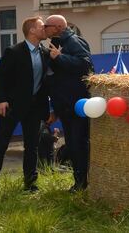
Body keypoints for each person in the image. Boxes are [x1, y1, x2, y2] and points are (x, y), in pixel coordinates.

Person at [0, 16, 50, 192]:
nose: (44, 28)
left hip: (34, 108)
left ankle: (30, 184)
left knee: (32, 146)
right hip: (12, 107)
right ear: (32, 30)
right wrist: (0, 100)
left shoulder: (45, 53)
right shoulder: (14, 51)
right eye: (41, 26)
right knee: (2, 145)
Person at [45, 14, 94, 192]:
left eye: (46, 26)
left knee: (78, 143)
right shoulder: (59, 42)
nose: (44, 29)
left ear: (57, 27)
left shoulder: (73, 41)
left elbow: (86, 65)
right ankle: (79, 182)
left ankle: (82, 183)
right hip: (65, 105)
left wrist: (60, 58)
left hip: (77, 104)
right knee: (73, 143)